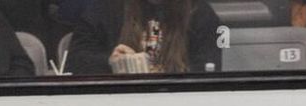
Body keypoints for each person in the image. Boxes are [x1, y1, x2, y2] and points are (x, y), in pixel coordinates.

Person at [67, 0, 221, 75]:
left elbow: (209, 67)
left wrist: (170, 74)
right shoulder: (104, 8)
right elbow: (76, 61)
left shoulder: (199, 13)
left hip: (177, 104)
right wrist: (110, 61)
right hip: (115, 102)